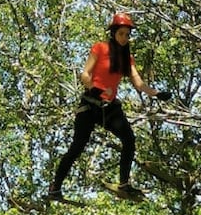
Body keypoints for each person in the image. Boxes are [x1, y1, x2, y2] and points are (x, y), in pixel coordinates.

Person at [49, 12, 170, 201]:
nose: (124, 38)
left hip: (110, 108)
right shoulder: (100, 48)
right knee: (77, 147)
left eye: (127, 35)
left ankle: (124, 185)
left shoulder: (126, 58)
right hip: (90, 105)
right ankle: (55, 189)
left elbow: (138, 83)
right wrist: (94, 88)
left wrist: (156, 94)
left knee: (129, 140)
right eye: (121, 33)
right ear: (113, 33)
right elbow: (85, 74)